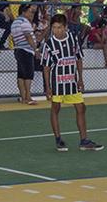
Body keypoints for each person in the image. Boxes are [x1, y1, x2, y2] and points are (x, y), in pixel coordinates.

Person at [40, 14, 103, 152]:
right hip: (57, 83)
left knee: (81, 108)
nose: (57, 30)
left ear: (66, 27)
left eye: (60, 27)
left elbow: (79, 59)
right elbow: (46, 67)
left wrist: (80, 78)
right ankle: (58, 139)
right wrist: (48, 87)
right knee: (55, 109)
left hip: (72, 82)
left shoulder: (73, 39)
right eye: (54, 28)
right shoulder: (49, 44)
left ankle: (84, 140)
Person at [11, 3, 41, 105]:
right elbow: (28, 36)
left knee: (21, 75)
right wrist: (36, 50)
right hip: (26, 51)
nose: (31, 14)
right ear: (24, 12)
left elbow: (14, 38)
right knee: (28, 75)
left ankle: (23, 97)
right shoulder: (24, 22)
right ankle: (28, 97)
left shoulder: (15, 22)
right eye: (30, 11)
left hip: (18, 49)